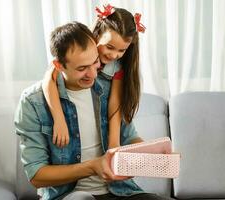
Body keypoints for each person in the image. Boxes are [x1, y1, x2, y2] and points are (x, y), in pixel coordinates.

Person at [14, 22, 173, 200]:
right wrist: (93, 166)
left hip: (120, 191)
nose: (93, 74)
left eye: (95, 62)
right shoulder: (33, 102)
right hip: (69, 195)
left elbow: (128, 137)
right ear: (59, 66)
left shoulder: (109, 88)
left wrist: (153, 153)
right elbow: (36, 175)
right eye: (82, 69)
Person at [42, 4, 145, 150]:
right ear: (96, 35)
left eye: (121, 50)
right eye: (109, 47)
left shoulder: (117, 66)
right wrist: (59, 119)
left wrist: (114, 144)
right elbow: (49, 79)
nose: (114, 55)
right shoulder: (76, 51)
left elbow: (115, 104)